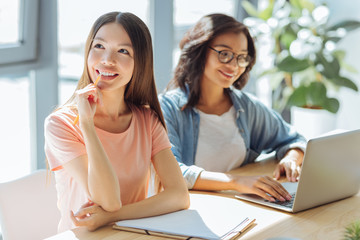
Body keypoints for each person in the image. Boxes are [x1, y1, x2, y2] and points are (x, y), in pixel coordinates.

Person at [44, 12, 189, 232]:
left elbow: (179, 196)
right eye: (99, 46)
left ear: (139, 62)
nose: (107, 60)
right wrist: (87, 125)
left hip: (132, 235)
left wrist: (112, 217)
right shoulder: (60, 124)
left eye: (123, 51)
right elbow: (108, 201)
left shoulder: (147, 120)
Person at [159, 13, 306, 203]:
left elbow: (294, 139)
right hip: (194, 210)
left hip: (241, 205)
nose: (234, 66)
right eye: (224, 54)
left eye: (241, 57)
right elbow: (171, 172)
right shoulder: (167, 108)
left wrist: (291, 159)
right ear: (200, 51)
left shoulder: (246, 107)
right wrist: (235, 182)